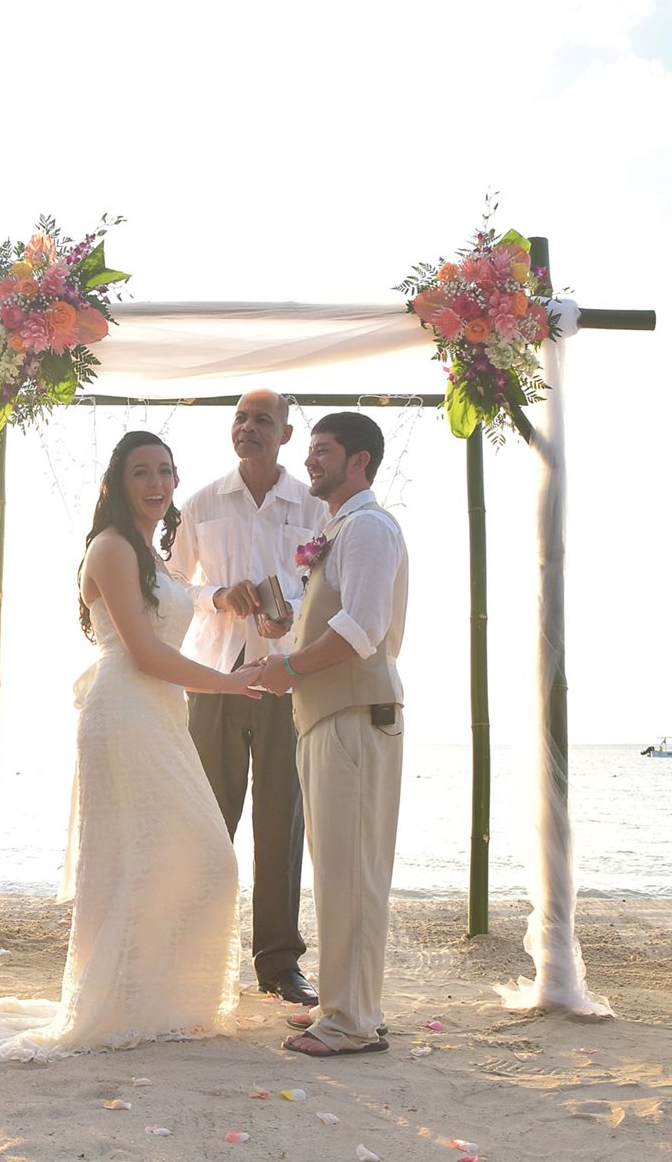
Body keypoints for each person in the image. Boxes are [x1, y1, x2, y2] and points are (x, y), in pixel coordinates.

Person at [0, 431, 260, 1060]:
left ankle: (157, 1001)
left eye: (166, 470)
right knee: (159, 859)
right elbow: (144, 651)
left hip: (159, 709)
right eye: (142, 472)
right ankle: (124, 1003)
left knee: (182, 858)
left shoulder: (152, 554)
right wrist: (228, 684)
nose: (157, 484)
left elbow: (181, 612)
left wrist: (226, 611)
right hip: (125, 706)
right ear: (116, 483)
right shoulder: (111, 549)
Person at [252, 412, 409, 1059]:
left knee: (354, 873)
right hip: (326, 719)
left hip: (354, 717)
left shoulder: (370, 527)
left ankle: (351, 1023)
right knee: (338, 871)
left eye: (324, 451)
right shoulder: (337, 528)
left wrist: (286, 669)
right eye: (310, 450)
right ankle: (348, 1001)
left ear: (360, 461)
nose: (310, 460)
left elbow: (361, 629)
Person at [169, 389, 328, 1008]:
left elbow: (329, 580)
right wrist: (218, 595)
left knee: (282, 822)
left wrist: (287, 599)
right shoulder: (202, 502)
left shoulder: (314, 505)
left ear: (286, 434)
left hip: (287, 674)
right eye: (239, 418)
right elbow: (175, 583)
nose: (248, 428)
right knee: (208, 820)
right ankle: (195, 956)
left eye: (262, 419)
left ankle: (279, 963)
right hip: (215, 674)